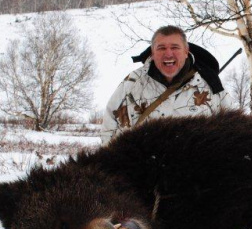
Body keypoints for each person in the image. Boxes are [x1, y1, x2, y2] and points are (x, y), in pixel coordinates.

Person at [100, 25, 234, 142]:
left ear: (186, 52)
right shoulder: (133, 83)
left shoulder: (211, 84)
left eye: (175, 47)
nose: (168, 54)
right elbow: (109, 127)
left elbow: (231, 130)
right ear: (152, 53)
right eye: (161, 48)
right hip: (139, 169)